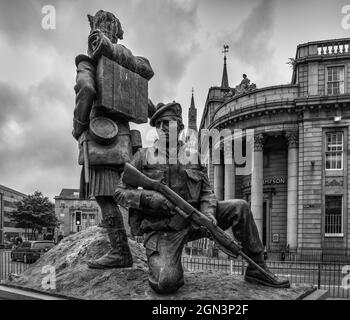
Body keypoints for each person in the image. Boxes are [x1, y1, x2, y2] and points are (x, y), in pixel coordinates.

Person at [114, 102, 290, 294]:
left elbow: (207, 192)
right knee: (167, 283)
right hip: (163, 230)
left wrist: (209, 214)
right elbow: (120, 192)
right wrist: (147, 198)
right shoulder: (143, 155)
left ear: (180, 128)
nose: (164, 127)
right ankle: (170, 265)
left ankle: (257, 268)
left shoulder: (193, 156)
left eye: (169, 123)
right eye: (160, 124)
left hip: (195, 219)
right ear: (156, 128)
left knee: (240, 206)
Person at [73, 10, 153, 269]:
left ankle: (120, 252)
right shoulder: (127, 64)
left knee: (106, 198)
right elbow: (146, 104)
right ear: (116, 33)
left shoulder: (89, 62)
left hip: (100, 139)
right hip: (126, 143)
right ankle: (149, 242)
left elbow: (86, 89)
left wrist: (79, 127)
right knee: (126, 193)